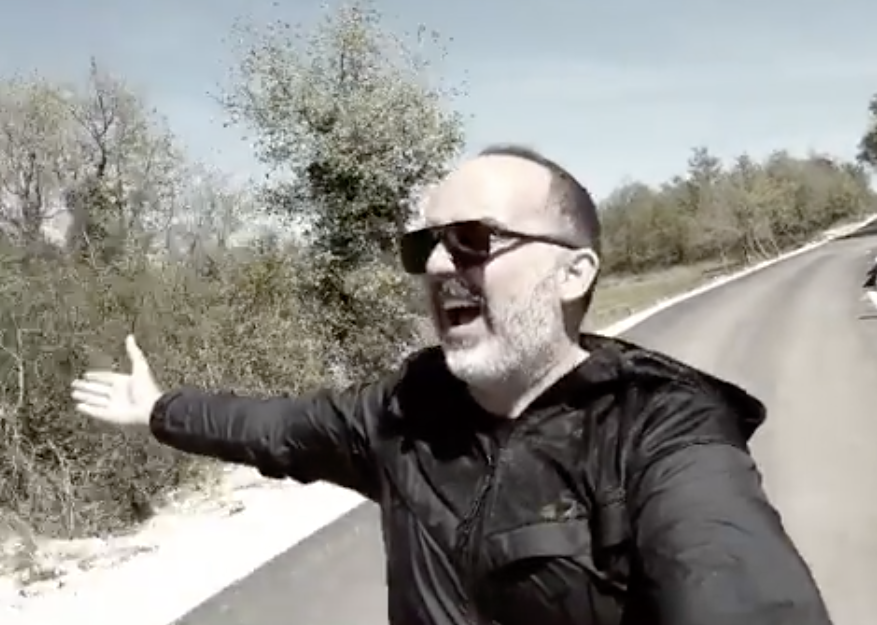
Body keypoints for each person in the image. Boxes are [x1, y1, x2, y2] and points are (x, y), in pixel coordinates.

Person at [71, 144, 833, 625]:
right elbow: (276, 428)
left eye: (473, 239)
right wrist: (158, 409)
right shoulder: (402, 413)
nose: (438, 265)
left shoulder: (659, 424)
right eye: (426, 246)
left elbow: (733, 579)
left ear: (573, 273)